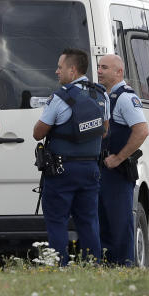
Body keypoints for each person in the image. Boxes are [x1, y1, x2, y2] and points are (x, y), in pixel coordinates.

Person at [32, 49, 109, 266]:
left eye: (60, 67)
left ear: (73, 70)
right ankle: (93, 265)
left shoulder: (60, 97)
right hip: (90, 170)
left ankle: (59, 265)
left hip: (61, 170)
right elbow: (104, 130)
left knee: (57, 221)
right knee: (89, 221)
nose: (56, 71)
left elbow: (38, 133)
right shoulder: (101, 94)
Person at [96, 54, 149, 265]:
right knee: (104, 222)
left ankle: (125, 266)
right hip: (103, 171)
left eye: (105, 68)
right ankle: (108, 266)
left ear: (119, 72)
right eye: (99, 67)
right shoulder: (106, 97)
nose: (99, 71)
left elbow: (142, 131)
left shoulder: (126, 98)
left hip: (117, 173)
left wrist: (119, 158)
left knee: (119, 222)